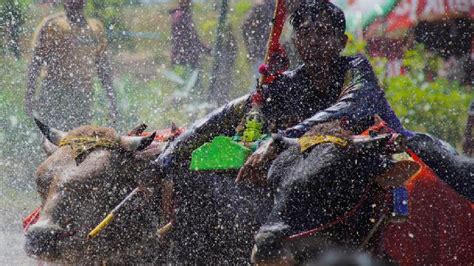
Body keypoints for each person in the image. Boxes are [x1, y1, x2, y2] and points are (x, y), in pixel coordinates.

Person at [143, 0, 473, 201]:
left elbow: (350, 106)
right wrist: (168, 158)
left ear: (341, 41)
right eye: (305, 33)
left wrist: (279, 140)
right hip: (314, 173)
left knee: (442, 165)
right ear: (296, 41)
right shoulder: (287, 82)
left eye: (323, 33)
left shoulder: (355, 70)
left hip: (386, 156)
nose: (313, 40)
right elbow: (229, 113)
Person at [25, 0, 118, 131]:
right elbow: (36, 62)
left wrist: (112, 99)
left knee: (80, 139)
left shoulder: (95, 28)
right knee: (53, 140)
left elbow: (103, 67)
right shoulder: (52, 25)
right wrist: (29, 95)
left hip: (83, 95)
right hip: (55, 92)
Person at [169, 0, 211, 70]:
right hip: (186, 60)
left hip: (180, 58)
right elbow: (191, 40)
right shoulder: (182, 17)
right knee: (187, 78)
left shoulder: (180, 16)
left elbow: (191, 39)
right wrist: (206, 49)